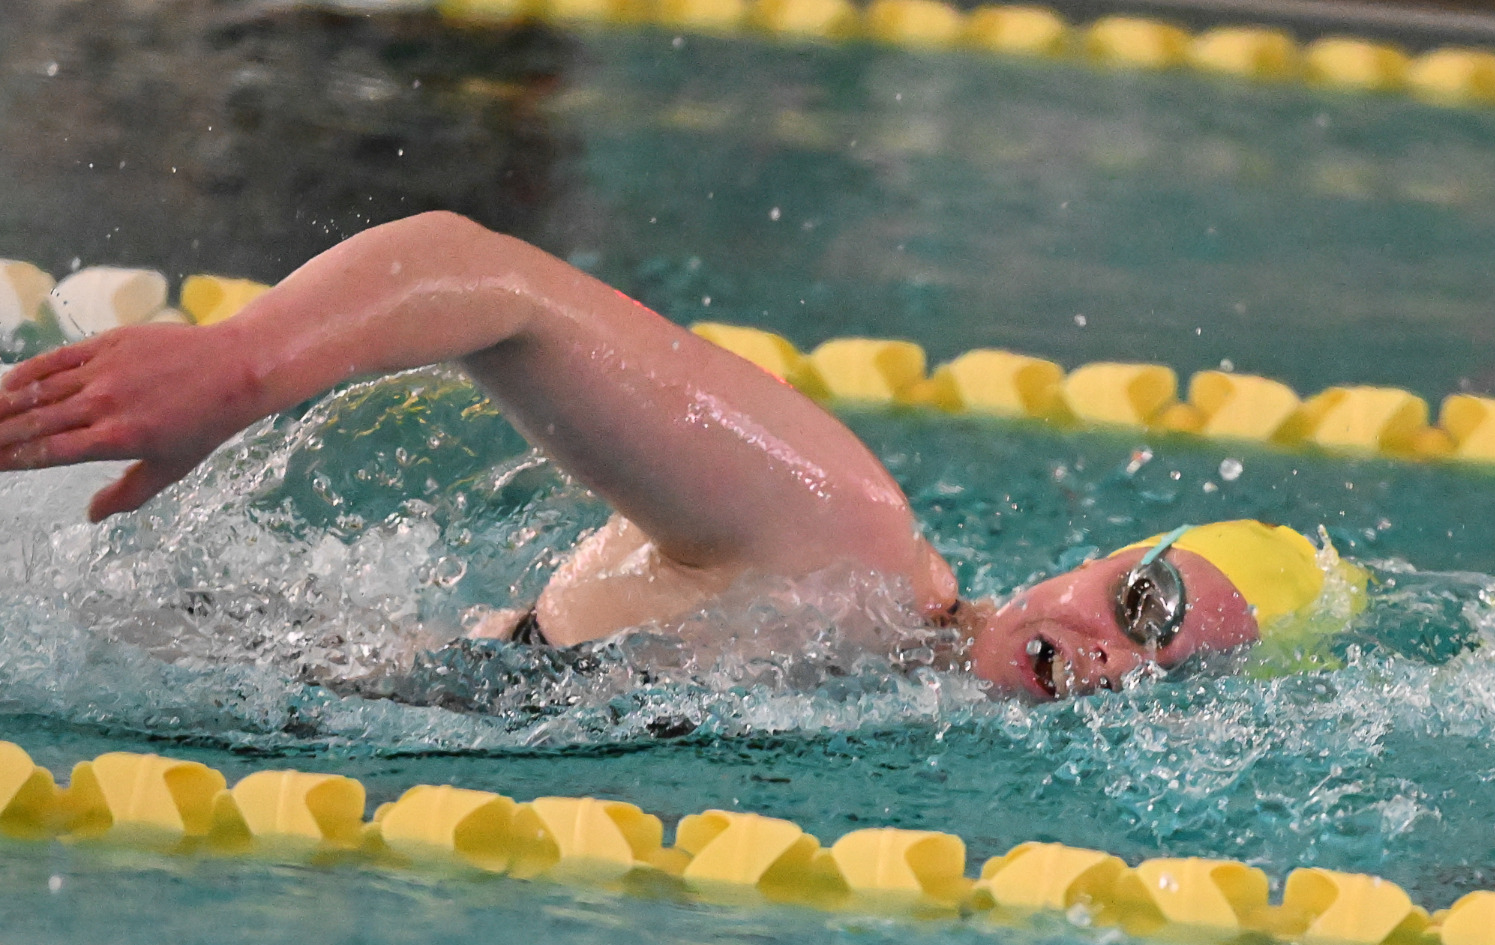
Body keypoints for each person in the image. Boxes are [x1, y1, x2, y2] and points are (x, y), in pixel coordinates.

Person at [0, 212, 1343, 701]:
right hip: (146, 633)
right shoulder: (844, 542)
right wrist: (237, 369)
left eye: (1169, 673)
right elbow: (492, 279)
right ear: (1100, 558)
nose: (1117, 656)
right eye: (1144, 602)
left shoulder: (881, 696)